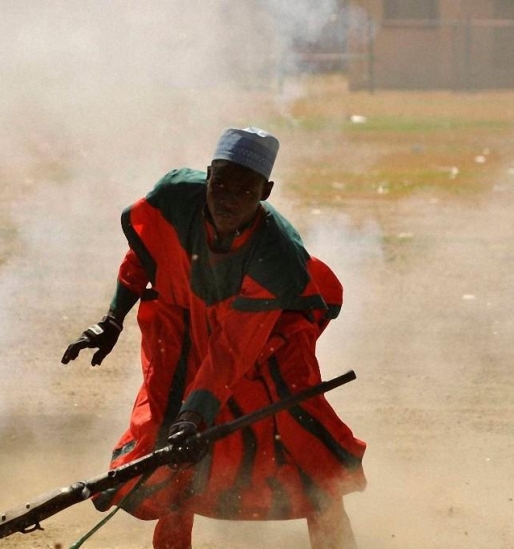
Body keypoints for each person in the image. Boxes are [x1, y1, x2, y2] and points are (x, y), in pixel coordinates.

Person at [62, 127, 366, 549]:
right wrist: (112, 319)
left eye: (245, 189)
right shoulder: (172, 197)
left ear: (266, 191)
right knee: (170, 441)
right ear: (207, 174)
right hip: (188, 325)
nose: (227, 197)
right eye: (220, 182)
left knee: (301, 440)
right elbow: (146, 254)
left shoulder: (277, 252)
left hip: (268, 336)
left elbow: (234, 349)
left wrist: (196, 414)